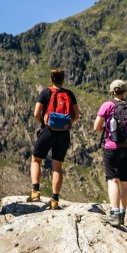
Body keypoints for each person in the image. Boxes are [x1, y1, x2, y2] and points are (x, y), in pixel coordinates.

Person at [30, 68, 80, 209]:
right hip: (64, 133)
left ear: (51, 79)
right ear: (63, 80)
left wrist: (43, 121)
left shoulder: (46, 92)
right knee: (57, 166)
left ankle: (35, 191)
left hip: (48, 131)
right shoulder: (69, 94)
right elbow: (76, 116)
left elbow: (36, 113)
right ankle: (55, 200)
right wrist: (66, 124)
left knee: (36, 160)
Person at [94, 79, 127, 226]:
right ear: (125, 92)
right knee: (126, 182)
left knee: (113, 180)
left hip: (113, 147)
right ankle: (123, 213)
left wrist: (108, 130)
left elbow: (97, 127)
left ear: (112, 92)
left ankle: (114, 214)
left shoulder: (108, 105)